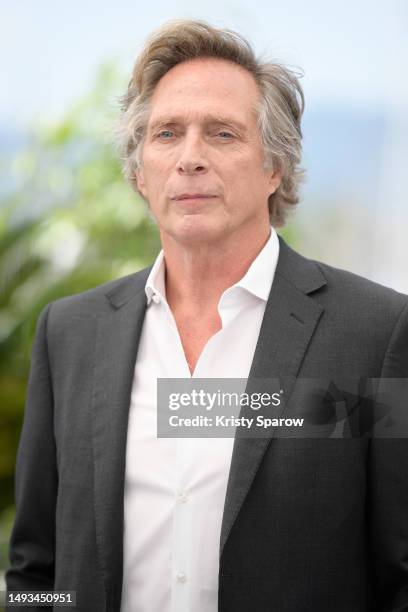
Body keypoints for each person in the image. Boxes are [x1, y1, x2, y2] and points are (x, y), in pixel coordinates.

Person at [5, 19, 408, 612]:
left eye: (222, 134)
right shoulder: (69, 334)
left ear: (275, 166)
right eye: (167, 133)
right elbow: (36, 573)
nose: (190, 158)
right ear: (141, 170)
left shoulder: (375, 333)